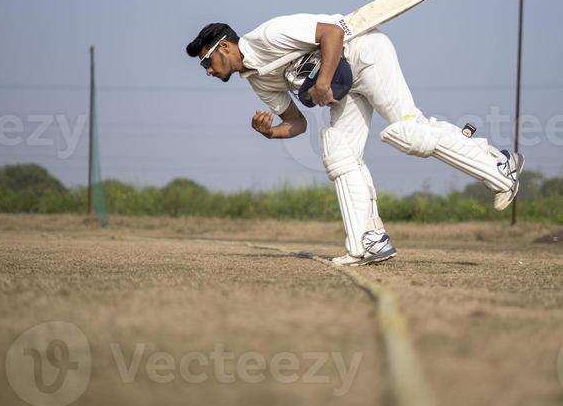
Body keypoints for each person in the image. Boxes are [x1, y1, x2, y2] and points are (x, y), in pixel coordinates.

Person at [185, 14, 524, 266]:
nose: (208, 70)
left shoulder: (269, 35)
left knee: (409, 132)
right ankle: (368, 241)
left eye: (206, 61)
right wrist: (271, 132)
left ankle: (499, 165)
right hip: (341, 86)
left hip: (365, 55)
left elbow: (332, 32)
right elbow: (296, 123)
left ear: (224, 46)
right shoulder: (258, 81)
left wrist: (323, 83)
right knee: (338, 149)